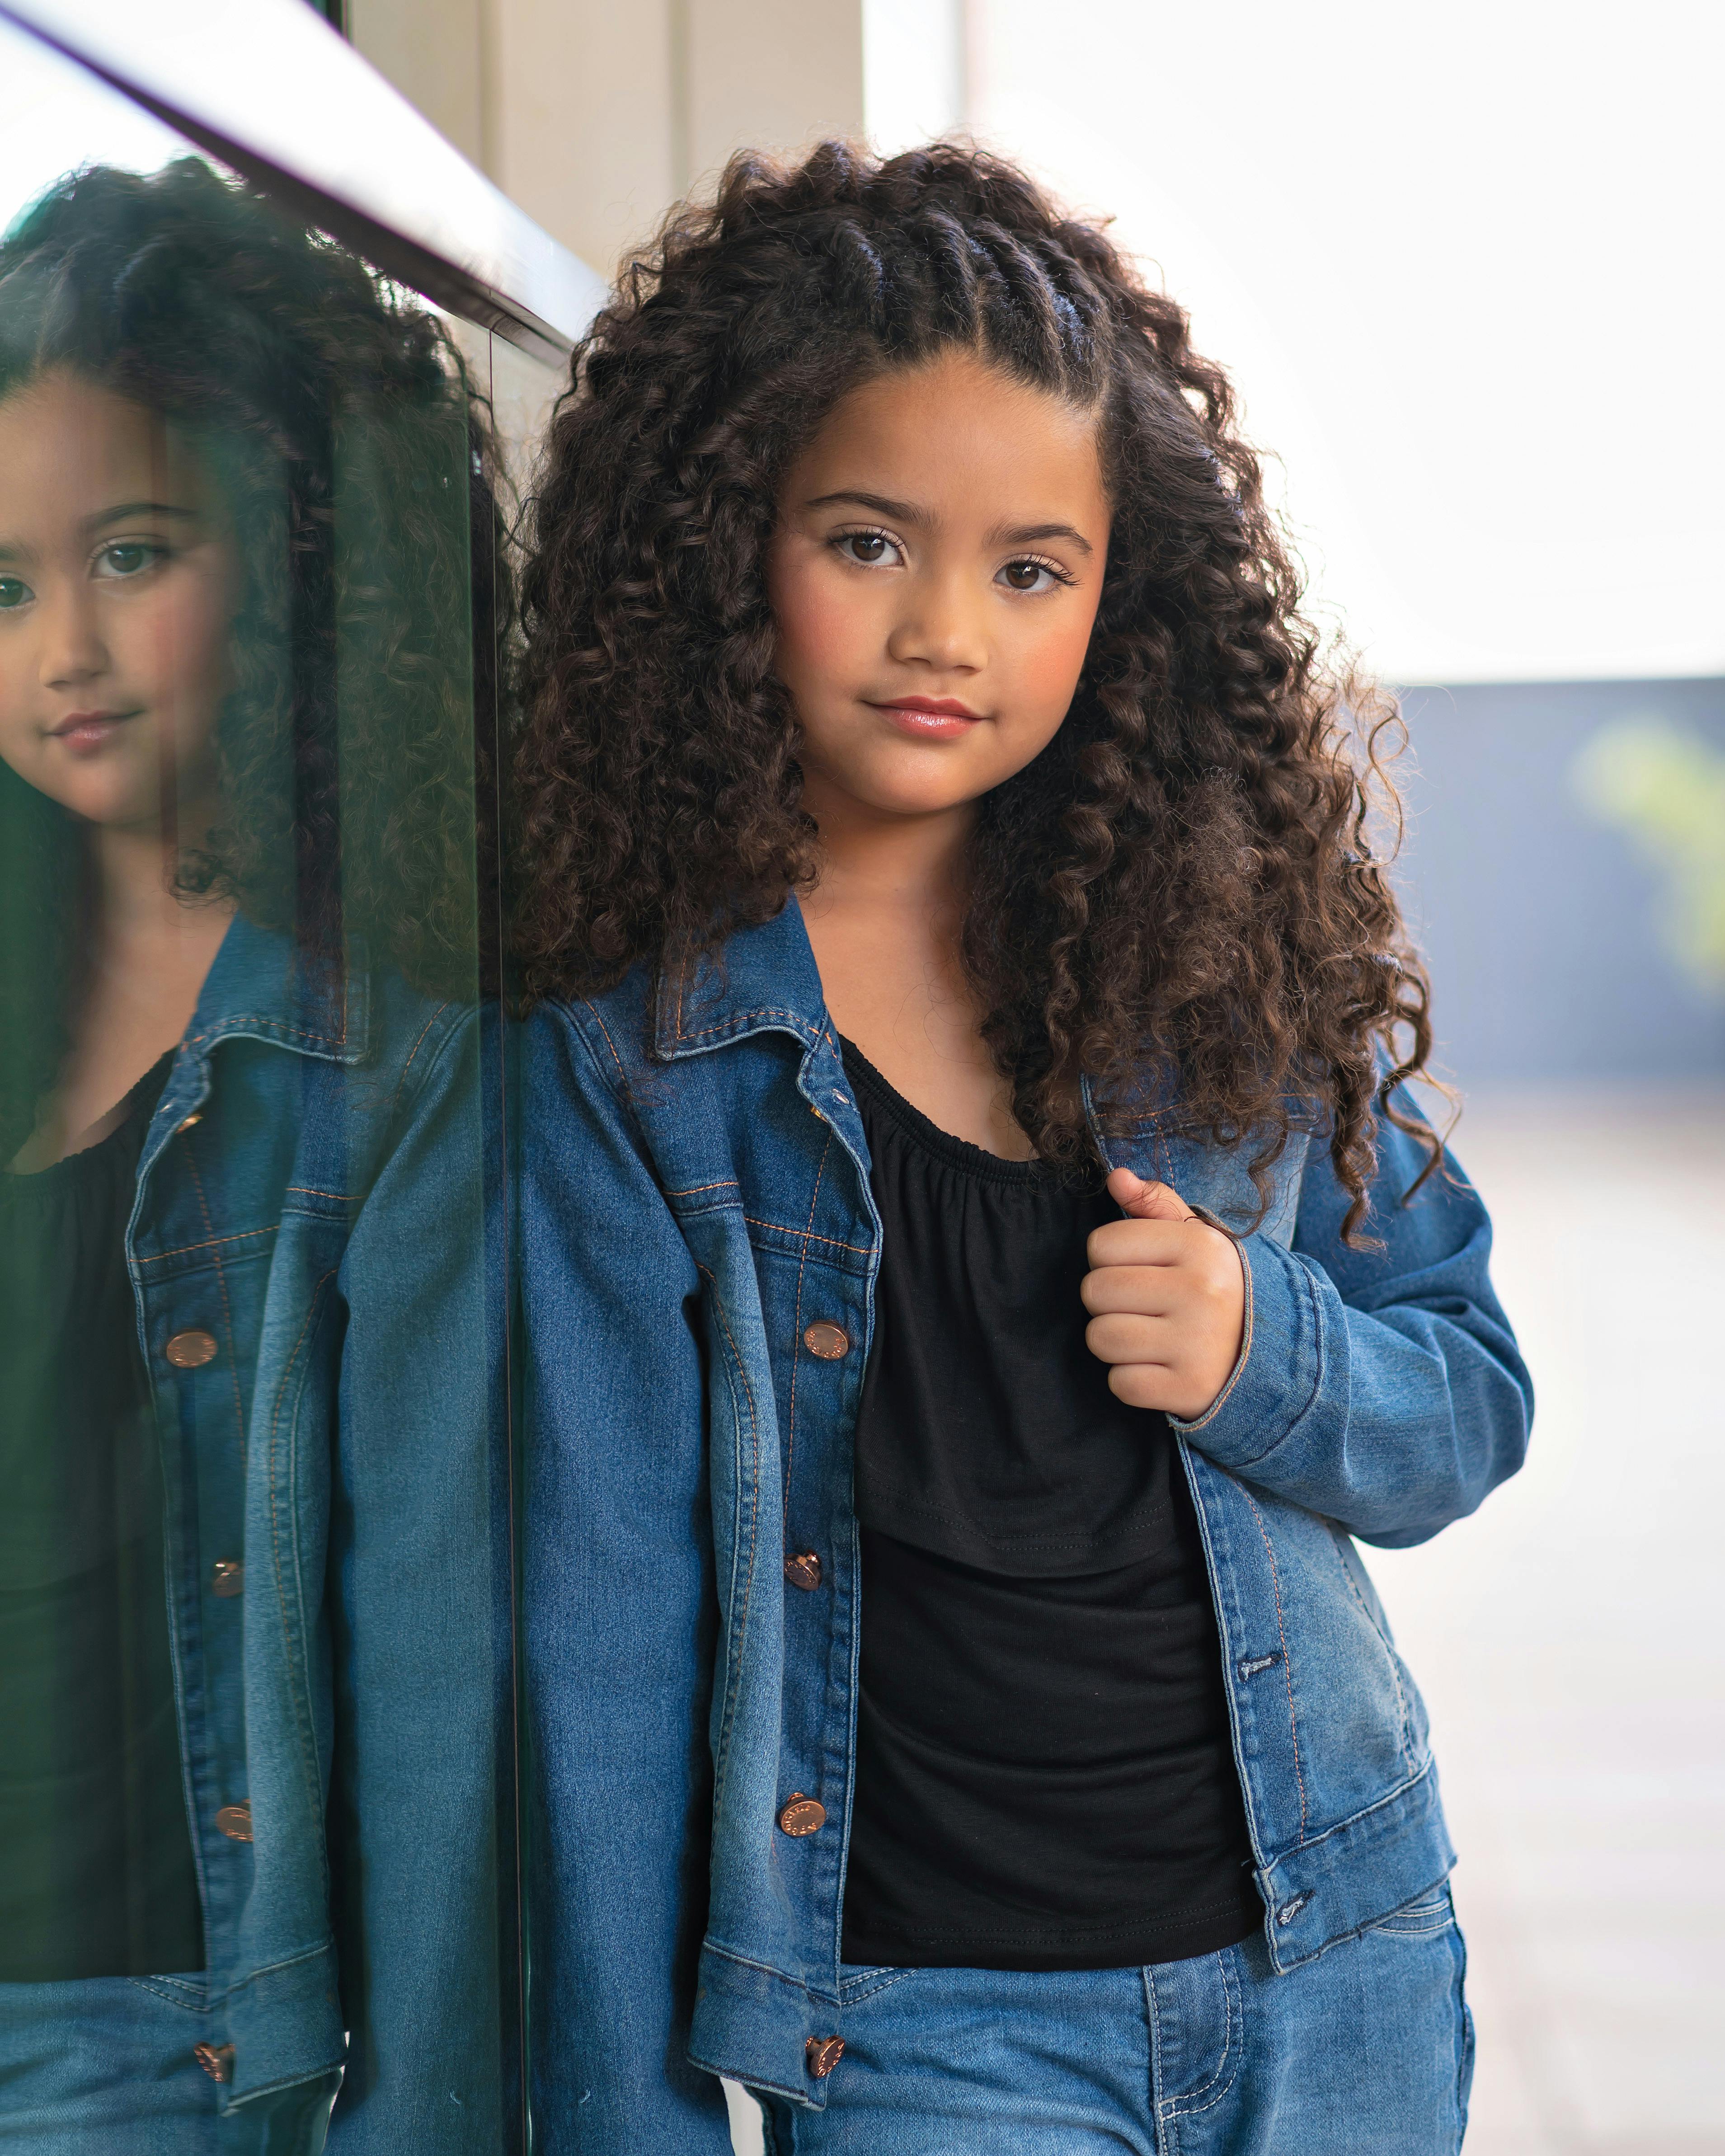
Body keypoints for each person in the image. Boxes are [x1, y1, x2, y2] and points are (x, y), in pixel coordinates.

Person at [512, 142, 1533, 2153]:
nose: (946, 631)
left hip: (1336, 1959)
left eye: (1027, 568)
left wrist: (1267, 1348)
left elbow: (1468, 1396)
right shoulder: (634, 1070)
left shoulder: (1222, 960)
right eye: (870, 540)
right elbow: (600, 1648)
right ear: (729, 547)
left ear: (1116, 597)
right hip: (922, 2025)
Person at [0, 160, 515, 2151]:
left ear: (293, 547)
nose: (62, 648)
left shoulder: (395, 1054)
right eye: (6, 582)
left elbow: (451, 1681)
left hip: (182, 2031)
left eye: (133, 553)